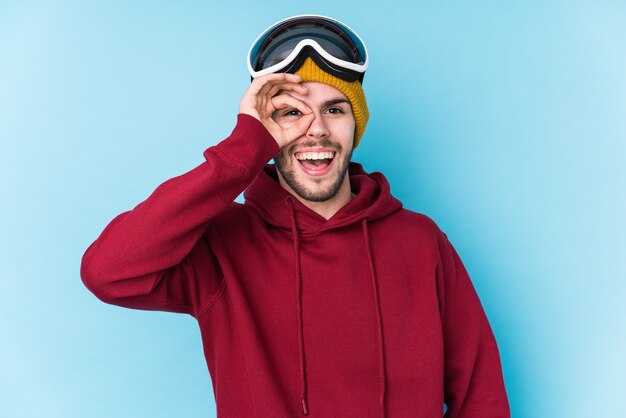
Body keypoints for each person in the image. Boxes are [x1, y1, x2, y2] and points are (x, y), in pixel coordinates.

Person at [81, 14, 510, 417]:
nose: (316, 129)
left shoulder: (420, 241)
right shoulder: (220, 244)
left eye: (335, 109)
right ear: (268, 128)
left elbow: (480, 391)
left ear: (355, 125)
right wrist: (243, 147)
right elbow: (108, 272)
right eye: (292, 112)